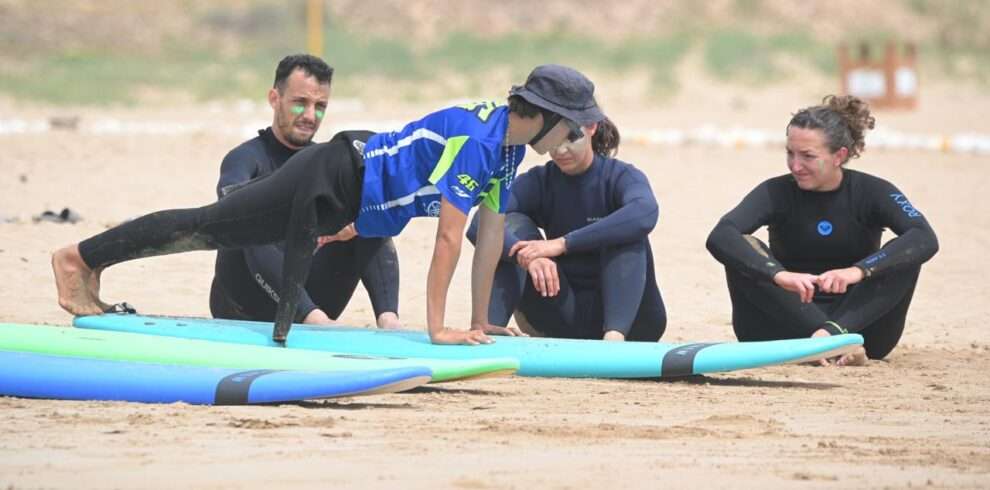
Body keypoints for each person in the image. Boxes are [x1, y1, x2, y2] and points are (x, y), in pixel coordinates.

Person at [52, 64, 600, 345]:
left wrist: (482, 321)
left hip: (355, 197)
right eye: (571, 128)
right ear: (545, 115)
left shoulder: (507, 151)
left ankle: (91, 262)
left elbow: (492, 233)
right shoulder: (479, 145)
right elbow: (449, 239)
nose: (573, 141)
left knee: (219, 229)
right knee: (212, 226)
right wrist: (438, 330)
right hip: (337, 174)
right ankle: (79, 257)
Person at [706, 95, 939, 365]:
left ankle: (830, 338)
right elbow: (721, 235)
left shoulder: (873, 191)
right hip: (780, 331)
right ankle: (830, 344)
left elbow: (924, 237)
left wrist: (859, 270)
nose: (795, 165)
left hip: (862, 330)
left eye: (807, 156)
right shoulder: (775, 191)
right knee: (743, 246)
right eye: (789, 153)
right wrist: (778, 275)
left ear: (839, 155)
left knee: (904, 252)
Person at [210, 54, 401, 329]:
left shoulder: (328, 163)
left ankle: (389, 320)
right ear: (274, 99)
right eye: (300, 103)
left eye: (320, 106)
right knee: (246, 221)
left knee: (370, 209)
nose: (311, 116)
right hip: (244, 304)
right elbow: (226, 208)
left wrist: (351, 225)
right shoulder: (245, 158)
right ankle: (314, 319)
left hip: (311, 296)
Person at [466, 115, 666, 342]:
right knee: (508, 224)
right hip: (563, 315)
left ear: (592, 127)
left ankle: (614, 338)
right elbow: (478, 224)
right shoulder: (539, 181)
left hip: (635, 324)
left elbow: (645, 213)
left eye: (571, 138)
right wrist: (528, 257)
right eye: (553, 141)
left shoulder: (622, 176)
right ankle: (487, 332)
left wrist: (562, 244)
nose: (561, 150)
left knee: (625, 228)